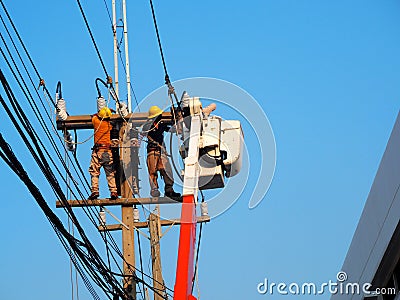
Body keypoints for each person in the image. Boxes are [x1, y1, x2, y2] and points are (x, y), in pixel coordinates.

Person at [142, 106, 181, 200]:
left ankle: (169, 190)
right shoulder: (148, 126)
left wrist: (176, 120)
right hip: (152, 151)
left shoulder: (162, 124)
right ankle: (154, 189)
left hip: (161, 151)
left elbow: (171, 129)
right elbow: (143, 132)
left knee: (166, 170)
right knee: (152, 171)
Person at [88, 107, 118, 200]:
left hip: (97, 151)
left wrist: (102, 111)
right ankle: (113, 191)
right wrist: (110, 112)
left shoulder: (96, 122)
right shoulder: (110, 125)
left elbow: (94, 115)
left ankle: (95, 190)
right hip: (107, 152)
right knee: (110, 173)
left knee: (94, 171)